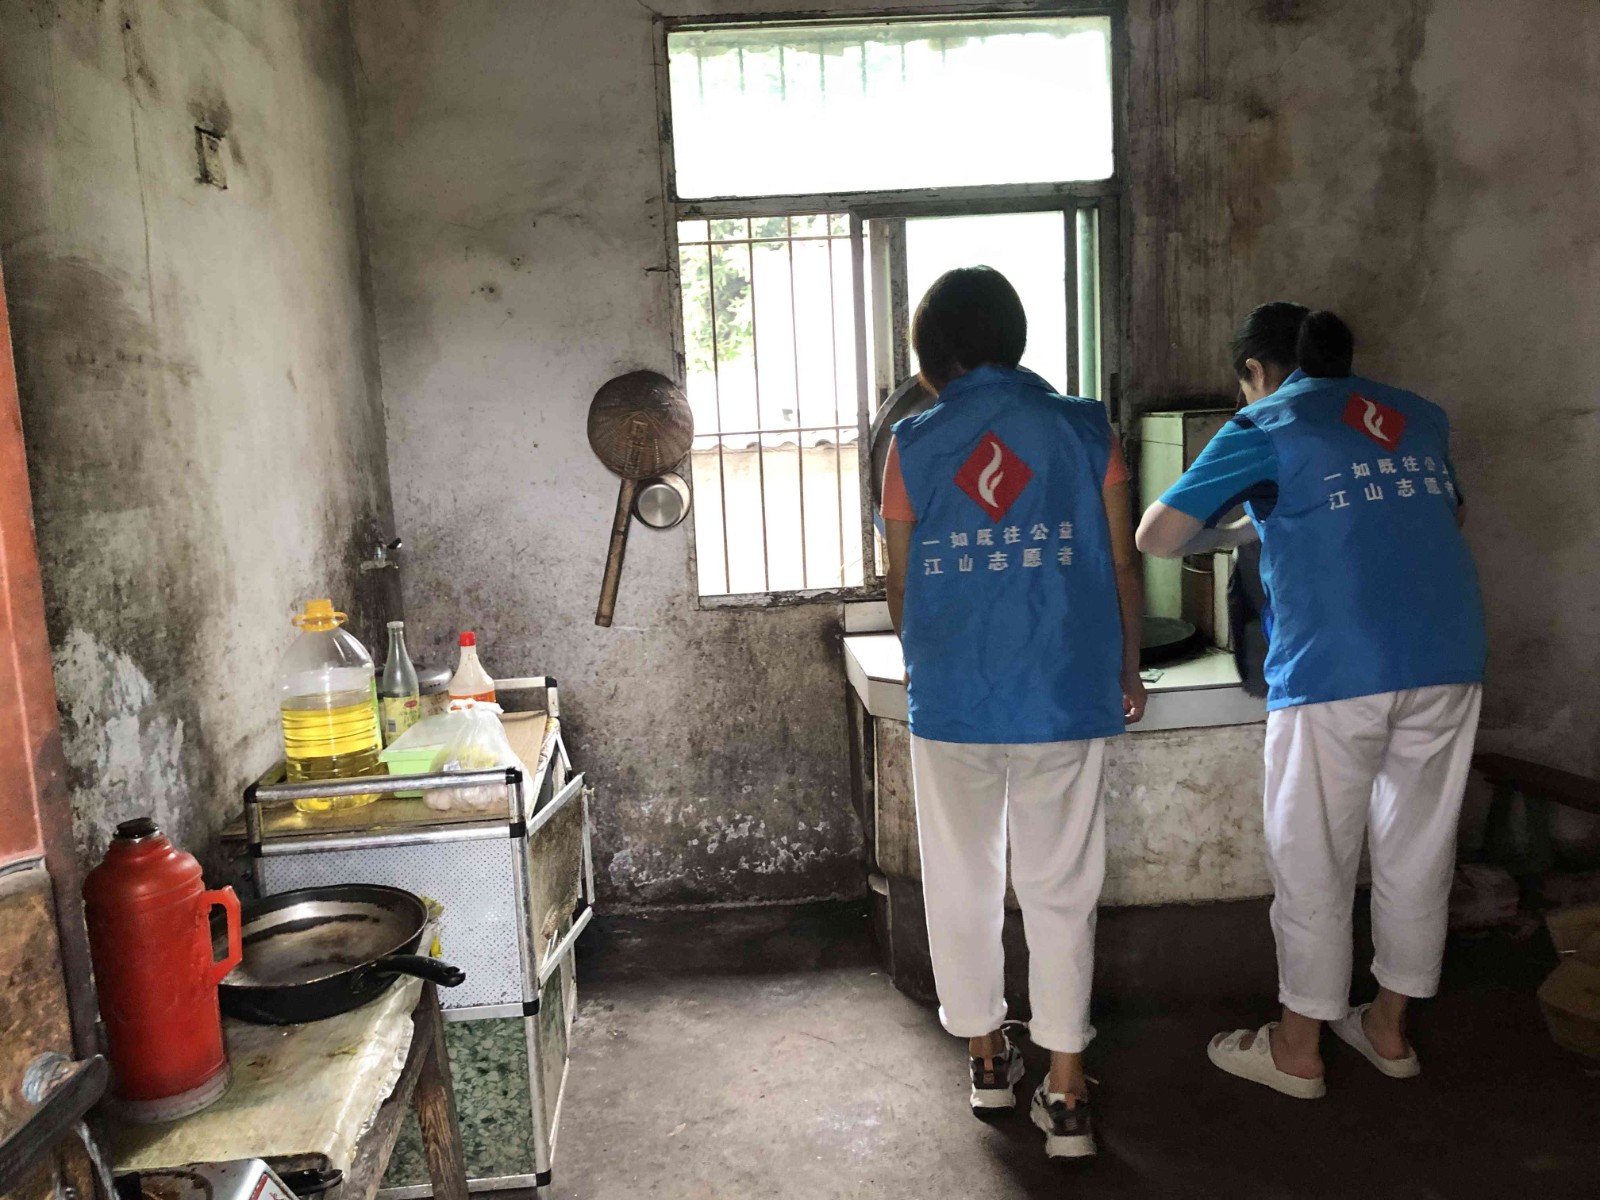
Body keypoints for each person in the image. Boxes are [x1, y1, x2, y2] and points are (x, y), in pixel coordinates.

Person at [1136, 303, 1486, 1098]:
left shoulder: (1265, 421)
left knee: (1313, 858)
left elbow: (1157, 535)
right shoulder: (1417, 413)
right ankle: (1388, 1029)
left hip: (1335, 666)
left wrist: (1244, 529)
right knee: (1419, 850)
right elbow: (1451, 514)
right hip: (1449, 655)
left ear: (1255, 372)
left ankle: (1298, 1050)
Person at [881, 266, 1146, 1158]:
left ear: (931, 357)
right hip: (1065, 691)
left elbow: (901, 582)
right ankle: (1066, 1091)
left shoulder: (912, 441)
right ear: (1015, 337)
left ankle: (989, 1061)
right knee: (1062, 886)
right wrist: (1125, 666)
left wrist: (931, 664)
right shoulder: (1085, 427)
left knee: (960, 877)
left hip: (954, 699)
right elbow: (1121, 563)